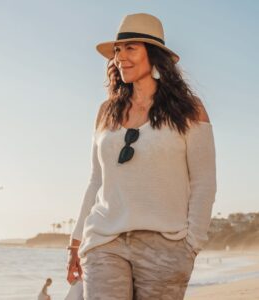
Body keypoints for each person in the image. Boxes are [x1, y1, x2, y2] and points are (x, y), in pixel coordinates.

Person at [66, 12, 217, 299]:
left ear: (154, 55)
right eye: (118, 50)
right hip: (104, 240)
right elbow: (96, 181)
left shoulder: (189, 110)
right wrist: (76, 241)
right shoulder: (106, 112)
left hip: (165, 246)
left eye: (131, 48)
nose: (120, 56)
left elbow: (203, 183)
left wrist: (190, 246)